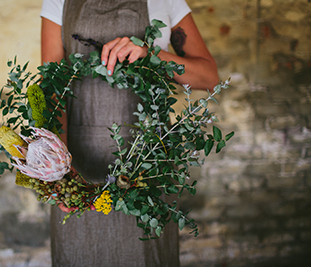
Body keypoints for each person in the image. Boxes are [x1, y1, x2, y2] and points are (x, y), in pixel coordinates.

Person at [40, 1, 218, 266]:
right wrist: (58, 169)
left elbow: (209, 77)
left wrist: (153, 55)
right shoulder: (59, 1)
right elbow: (51, 89)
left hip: (149, 165)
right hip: (78, 166)